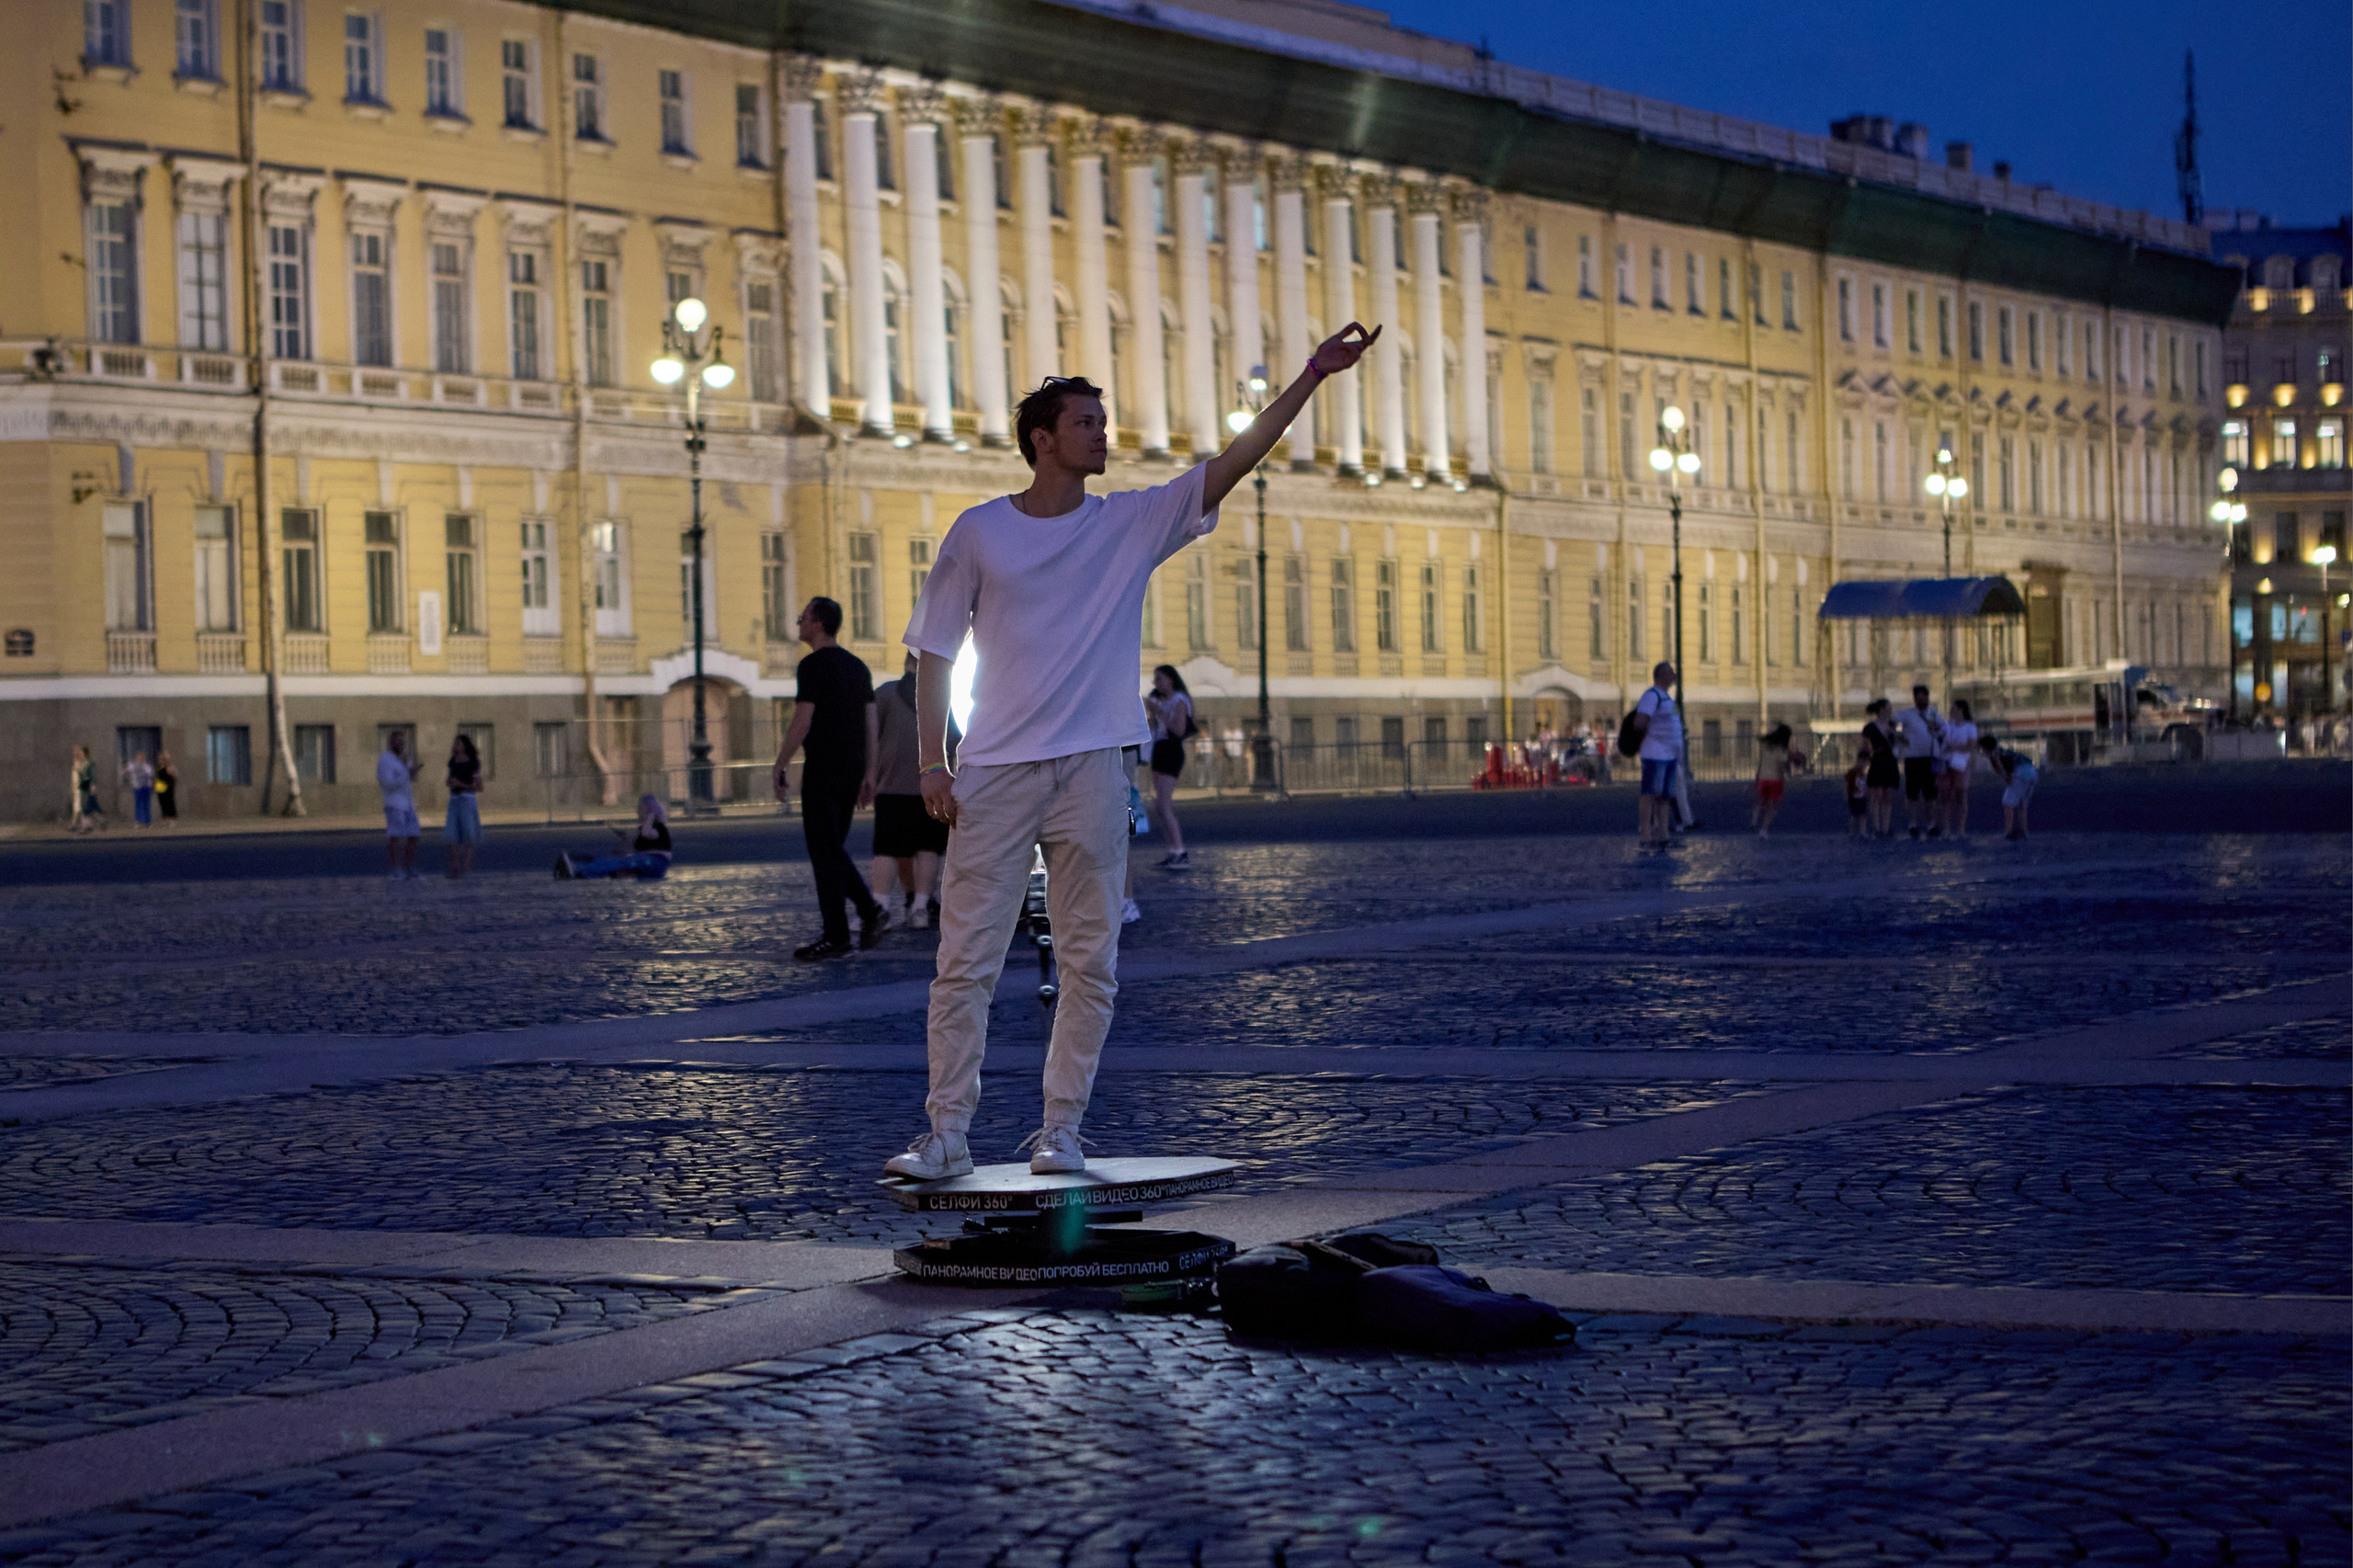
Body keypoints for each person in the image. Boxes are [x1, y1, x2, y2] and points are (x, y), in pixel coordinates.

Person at [886, 323, 1380, 1183]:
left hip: (1095, 767)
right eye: (1086, 423)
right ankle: (946, 1135)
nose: (1102, 435)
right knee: (963, 963)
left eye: (1102, 423)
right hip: (996, 770)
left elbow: (1235, 460)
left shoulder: (1131, 523)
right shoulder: (979, 533)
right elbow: (933, 653)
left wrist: (1312, 376)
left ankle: (1062, 1131)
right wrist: (934, 762)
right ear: (1042, 440)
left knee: (1090, 960)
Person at [774, 596, 888, 960]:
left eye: (802, 618)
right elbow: (871, 724)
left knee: (825, 851)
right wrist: (869, 772)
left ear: (818, 623)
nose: (799, 624)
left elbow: (803, 720)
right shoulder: (858, 667)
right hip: (853, 768)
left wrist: (780, 763)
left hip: (823, 768)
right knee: (830, 851)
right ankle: (839, 933)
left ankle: (865, 914)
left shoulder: (812, 666)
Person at [870, 651, 956, 929]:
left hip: (891, 786)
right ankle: (920, 907)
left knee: (886, 849)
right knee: (928, 849)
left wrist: (870, 774)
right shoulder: (940, 698)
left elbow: (870, 736)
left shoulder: (885, 694)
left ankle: (880, 906)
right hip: (930, 783)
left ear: (907, 662)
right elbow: (954, 739)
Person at [1627, 662, 1682, 850]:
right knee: (1650, 794)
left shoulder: (1666, 697)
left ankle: (1663, 834)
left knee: (1665, 796)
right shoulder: (1652, 696)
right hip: (1655, 754)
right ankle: (1646, 835)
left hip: (1669, 756)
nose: (1674, 675)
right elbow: (1640, 722)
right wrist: (1650, 740)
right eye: (1671, 672)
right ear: (1661, 675)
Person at [1143, 665, 1193, 869]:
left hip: (1171, 749)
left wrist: (1159, 711)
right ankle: (1173, 850)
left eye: (1160, 679)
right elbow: (1156, 728)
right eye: (1155, 680)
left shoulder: (1179, 701)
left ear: (1171, 679)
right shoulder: (1161, 701)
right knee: (1160, 805)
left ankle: (1180, 852)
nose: (1157, 683)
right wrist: (1152, 713)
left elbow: (1179, 729)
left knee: (1163, 804)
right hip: (1160, 748)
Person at [556, 794, 673, 880]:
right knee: (615, 862)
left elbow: (648, 834)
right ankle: (582, 869)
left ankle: (580, 869)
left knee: (619, 863)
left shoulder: (658, 826)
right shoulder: (645, 829)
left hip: (654, 862)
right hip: (648, 865)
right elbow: (639, 846)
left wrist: (650, 816)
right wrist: (625, 839)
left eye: (640, 810)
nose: (638, 813)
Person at [1890, 683, 1945, 840]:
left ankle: (1931, 825)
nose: (1922, 700)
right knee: (1912, 793)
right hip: (1913, 758)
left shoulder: (1934, 714)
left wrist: (1937, 731)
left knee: (1930, 794)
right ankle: (1913, 824)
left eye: (1924, 697)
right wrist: (1899, 736)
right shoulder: (1907, 714)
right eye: (1919, 697)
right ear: (1915, 699)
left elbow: (1944, 729)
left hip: (1930, 757)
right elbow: (1892, 723)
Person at [377, 731, 421, 879]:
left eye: (403, 742)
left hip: (408, 804)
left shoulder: (404, 759)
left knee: (413, 835)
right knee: (396, 837)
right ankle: (396, 868)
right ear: (391, 743)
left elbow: (408, 778)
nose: (402, 745)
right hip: (394, 804)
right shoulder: (385, 760)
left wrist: (413, 772)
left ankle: (410, 867)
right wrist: (406, 774)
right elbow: (388, 784)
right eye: (398, 742)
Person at [1980, 734, 2039, 840]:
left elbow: (2003, 766)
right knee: (2022, 803)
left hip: (2020, 773)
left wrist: (2008, 777)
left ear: (1985, 748)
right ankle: (2024, 830)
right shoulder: (2001, 751)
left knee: (2008, 803)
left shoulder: (1994, 754)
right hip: (2032, 772)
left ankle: (2008, 832)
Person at [1751, 722, 1804, 836]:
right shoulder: (1782, 750)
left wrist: (1758, 776)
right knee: (1773, 807)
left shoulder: (1767, 747)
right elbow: (1780, 767)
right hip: (1775, 780)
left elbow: (1761, 763)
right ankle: (1764, 830)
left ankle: (1754, 821)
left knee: (1760, 802)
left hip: (1762, 779)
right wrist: (1783, 779)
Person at [444, 733, 483, 878]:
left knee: (469, 836)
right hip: (454, 800)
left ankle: (466, 867)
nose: (456, 745)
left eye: (459, 743)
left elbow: (478, 786)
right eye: (455, 743)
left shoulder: (473, 762)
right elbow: (448, 779)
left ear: (465, 746)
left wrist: (461, 784)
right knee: (451, 836)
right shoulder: (453, 761)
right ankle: (455, 866)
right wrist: (450, 782)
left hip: (467, 800)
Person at [1939, 699, 1980, 838]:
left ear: (1961, 710)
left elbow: (1971, 746)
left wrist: (1955, 747)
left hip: (1961, 764)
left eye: (1954, 708)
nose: (1951, 711)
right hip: (1946, 763)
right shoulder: (1948, 726)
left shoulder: (1970, 727)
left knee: (1961, 796)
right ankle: (1947, 829)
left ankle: (1961, 829)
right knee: (1945, 797)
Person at [1860, 699, 1901, 838]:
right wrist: (1863, 764)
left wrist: (1893, 733)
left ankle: (1886, 827)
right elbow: (1865, 747)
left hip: (1889, 760)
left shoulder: (1892, 724)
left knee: (1888, 794)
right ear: (1882, 709)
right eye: (1889, 708)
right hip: (1877, 760)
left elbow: (1896, 742)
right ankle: (1878, 828)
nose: (1891, 710)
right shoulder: (1870, 727)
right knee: (1876, 794)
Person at [69, 745, 104, 833]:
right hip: (83, 788)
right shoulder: (81, 764)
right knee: (87, 807)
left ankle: (88, 826)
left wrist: (92, 786)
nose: (80, 755)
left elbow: (91, 776)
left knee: (86, 807)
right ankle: (92, 824)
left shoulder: (89, 764)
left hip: (87, 788)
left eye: (81, 753)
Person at [1842, 744, 1871, 837]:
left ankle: (1863, 832)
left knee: (1863, 815)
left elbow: (1865, 784)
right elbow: (1846, 783)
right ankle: (1851, 831)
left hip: (1861, 796)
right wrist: (1847, 795)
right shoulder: (1853, 772)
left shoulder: (1863, 773)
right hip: (1854, 797)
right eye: (1865, 763)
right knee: (1854, 815)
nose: (1866, 765)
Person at [122, 749, 155, 828]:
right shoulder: (133, 765)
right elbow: (123, 772)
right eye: (139, 758)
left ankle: (148, 822)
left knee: (146, 805)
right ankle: (138, 821)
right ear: (136, 758)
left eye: (142, 758)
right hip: (137, 787)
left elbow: (151, 774)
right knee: (138, 804)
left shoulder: (147, 765)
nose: (140, 759)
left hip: (146, 787)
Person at [153, 748, 177, 826]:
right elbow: (157, 777)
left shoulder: (170, 766)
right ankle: (165, 817)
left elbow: (174, 776)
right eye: (159, 759)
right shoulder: (159, 767)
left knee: (169, 801)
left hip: (168, 785)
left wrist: (171, 773)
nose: (160, 760)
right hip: (160, 785)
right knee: (162, 802)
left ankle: (172, 818)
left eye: (162, 759)